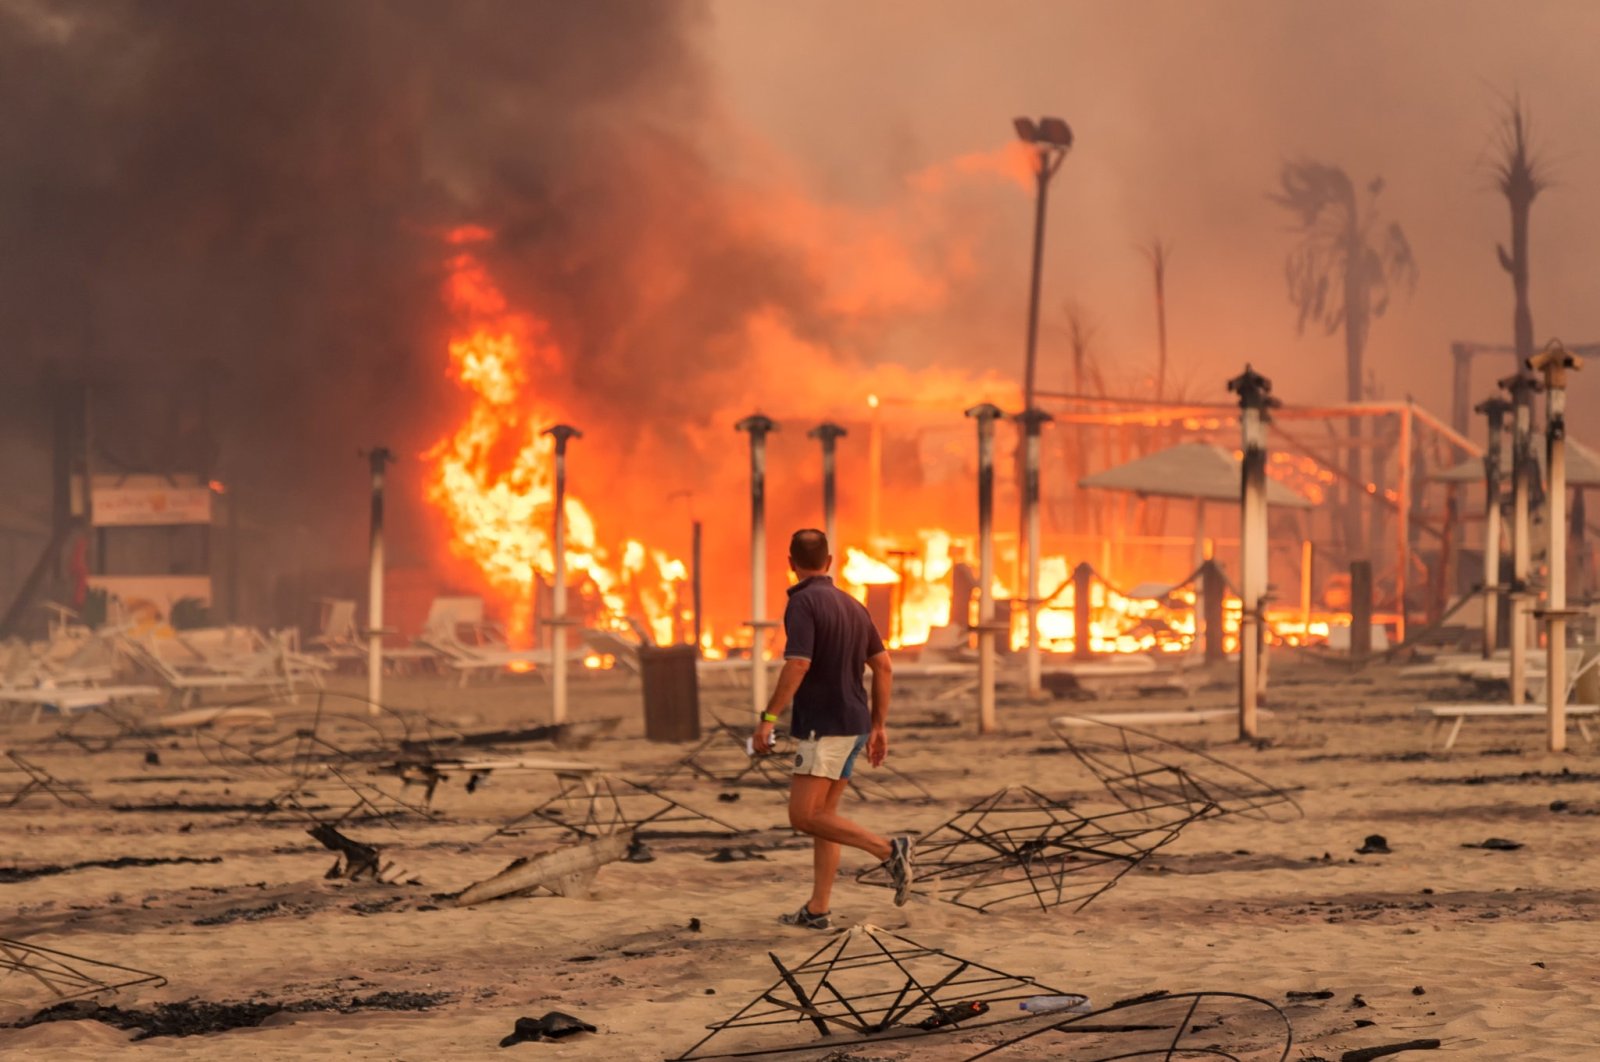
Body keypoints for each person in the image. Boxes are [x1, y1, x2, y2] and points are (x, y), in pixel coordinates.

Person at [753, 528, 914, 929]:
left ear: (790, 564)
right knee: (825, 816)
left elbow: (798, 664)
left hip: (823, 726)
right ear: (829, 562)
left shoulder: (803, 603)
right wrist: (878, 725)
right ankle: (818, 909)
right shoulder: (853, 605)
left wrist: (768, 718)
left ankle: (889, 850)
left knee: (802, 816)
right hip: (855, 722)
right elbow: (884, 666)